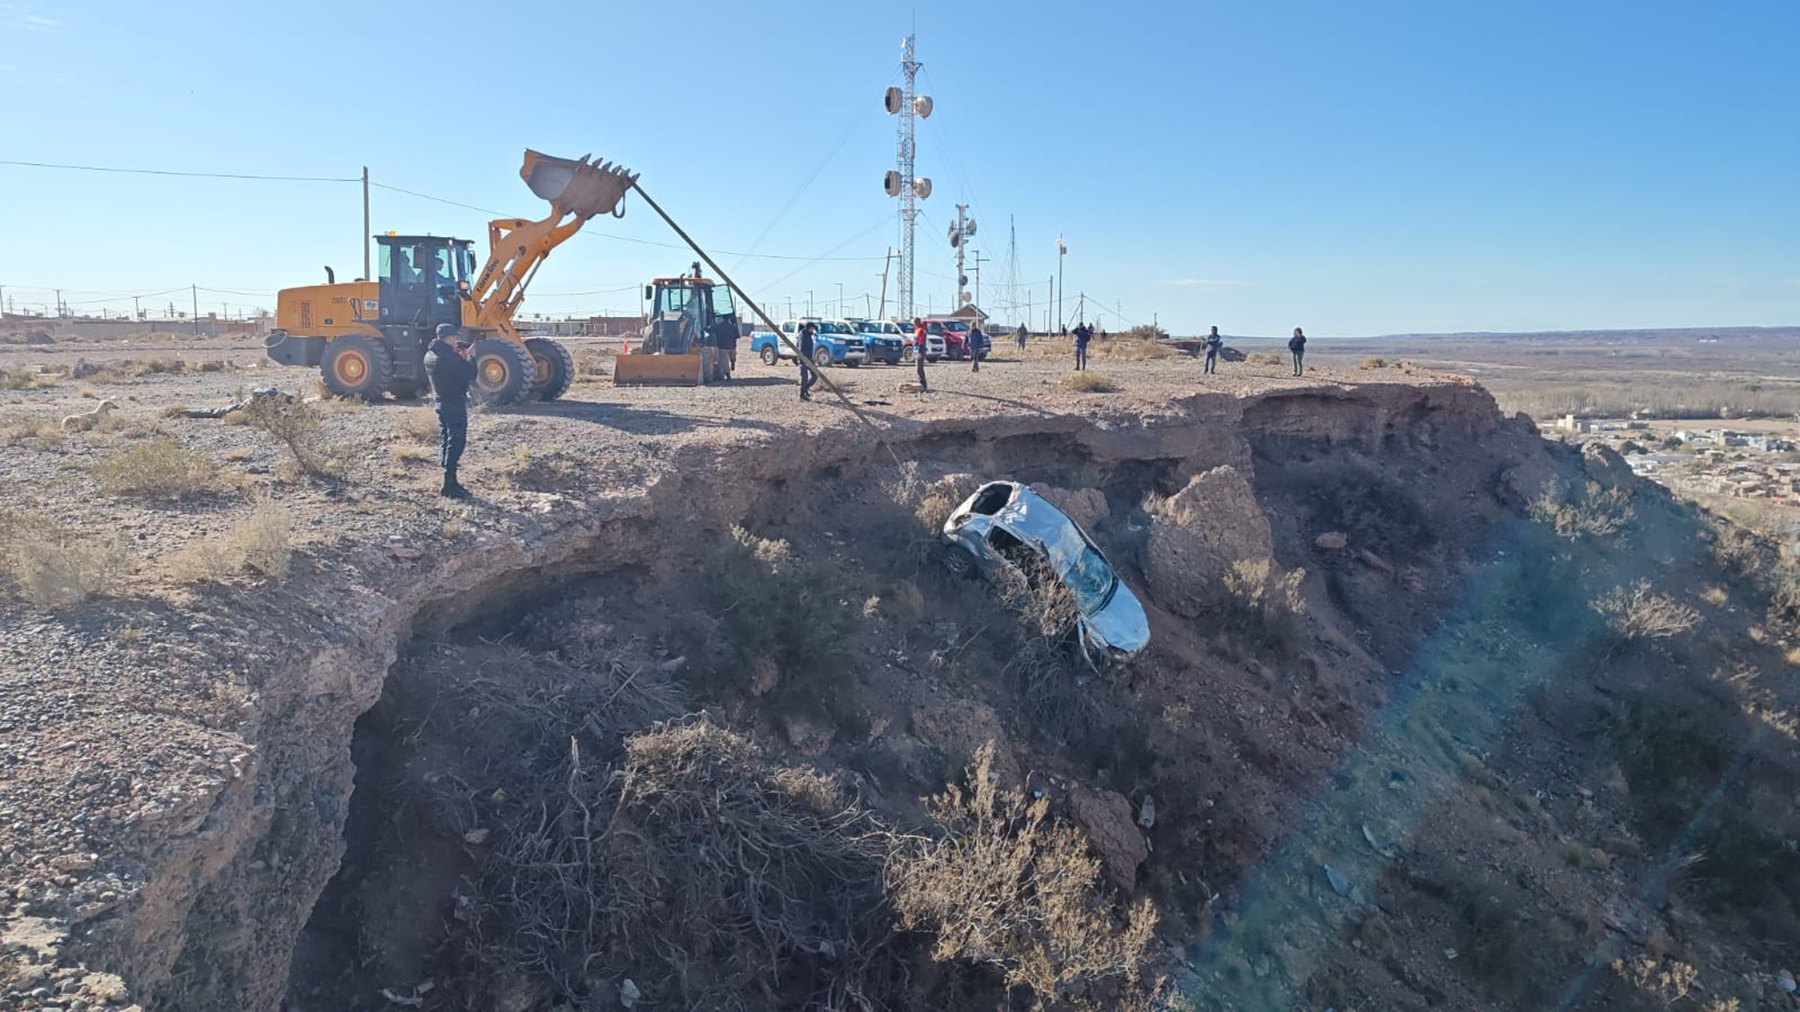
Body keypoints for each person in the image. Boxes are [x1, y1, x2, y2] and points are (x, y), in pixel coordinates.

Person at [423, 323, 475, 498]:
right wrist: (470, 357)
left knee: (447, 438)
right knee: (456, 441)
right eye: (454, 337)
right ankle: (449, 484)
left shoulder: (430, 355)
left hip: (441, 401)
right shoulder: (448, 358)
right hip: (454, 402)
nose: (457, 340)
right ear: (449, 337)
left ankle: (449, 478)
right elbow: (469, 373)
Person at [797, 320, 817, 401]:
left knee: (815, 375)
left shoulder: (808, 335)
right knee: (804, 377)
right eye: (812, 328)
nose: (813, 330)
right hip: (803, 359)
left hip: (809, 359)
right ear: (809, 328)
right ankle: (802, 394)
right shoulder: (803, 335)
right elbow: (801, 348)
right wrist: (804, 359)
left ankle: (806, 389)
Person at [912, 317, 930, 392]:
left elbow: (921, 341)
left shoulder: (921, 330)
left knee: (919, 368)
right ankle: (921, 382)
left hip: (920, 350)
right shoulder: (917, 330)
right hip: (916, 350)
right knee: (917, 368)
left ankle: (923, 384)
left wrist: (919, 352)